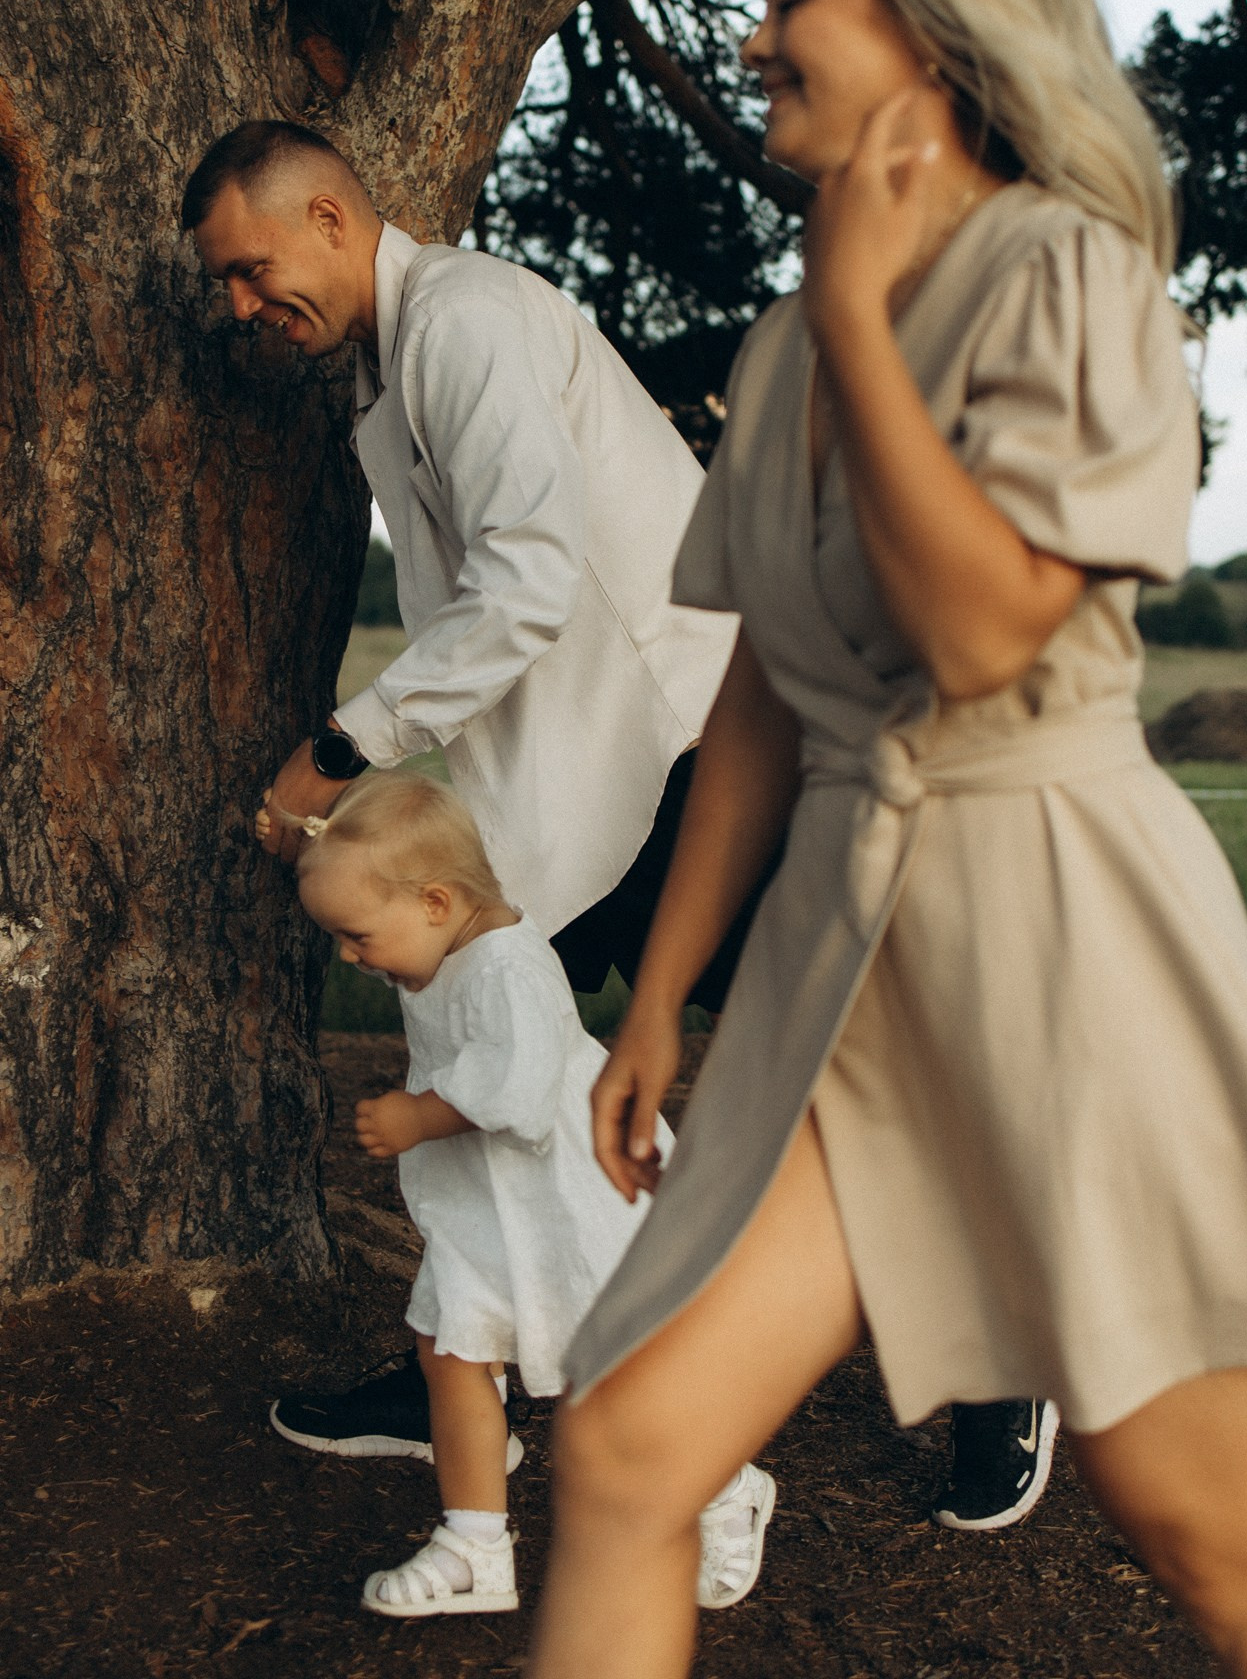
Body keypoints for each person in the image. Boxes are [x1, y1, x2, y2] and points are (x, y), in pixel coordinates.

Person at [527, 0, 1247, 1679]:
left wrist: (861, 310)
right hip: (835, 984)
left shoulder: (1066, 277)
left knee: (1214, 1529)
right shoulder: (780, 348)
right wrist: (660, 1000)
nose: (758, 33)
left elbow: (978, 632)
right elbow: (768, 704)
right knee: (623, 1449)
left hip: (1057, 941)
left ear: (930, 28)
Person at [182, 119, 1050, 1529]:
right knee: (479, 1048)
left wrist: (341, 750)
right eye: (224, 283)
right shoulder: (396, 370)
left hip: (689, 744)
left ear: (333, 219)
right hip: (566, 780)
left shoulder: (466, 324)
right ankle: (465, 1358)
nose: (238, 305)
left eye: (249, 267)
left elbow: (526, 579)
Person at [280, 765, 775, 1615]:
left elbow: (519, 1090)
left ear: (435, 903)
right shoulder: (431, 941)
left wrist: (418, 1117)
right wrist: (295, 836)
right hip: (486, 1209)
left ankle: (726, 1489)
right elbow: (362, 879)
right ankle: (474, 1546)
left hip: (565, 1209)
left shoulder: (506, 967)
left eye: (357, 937)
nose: (350, 958)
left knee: (619, 1372)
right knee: (452, 1353)